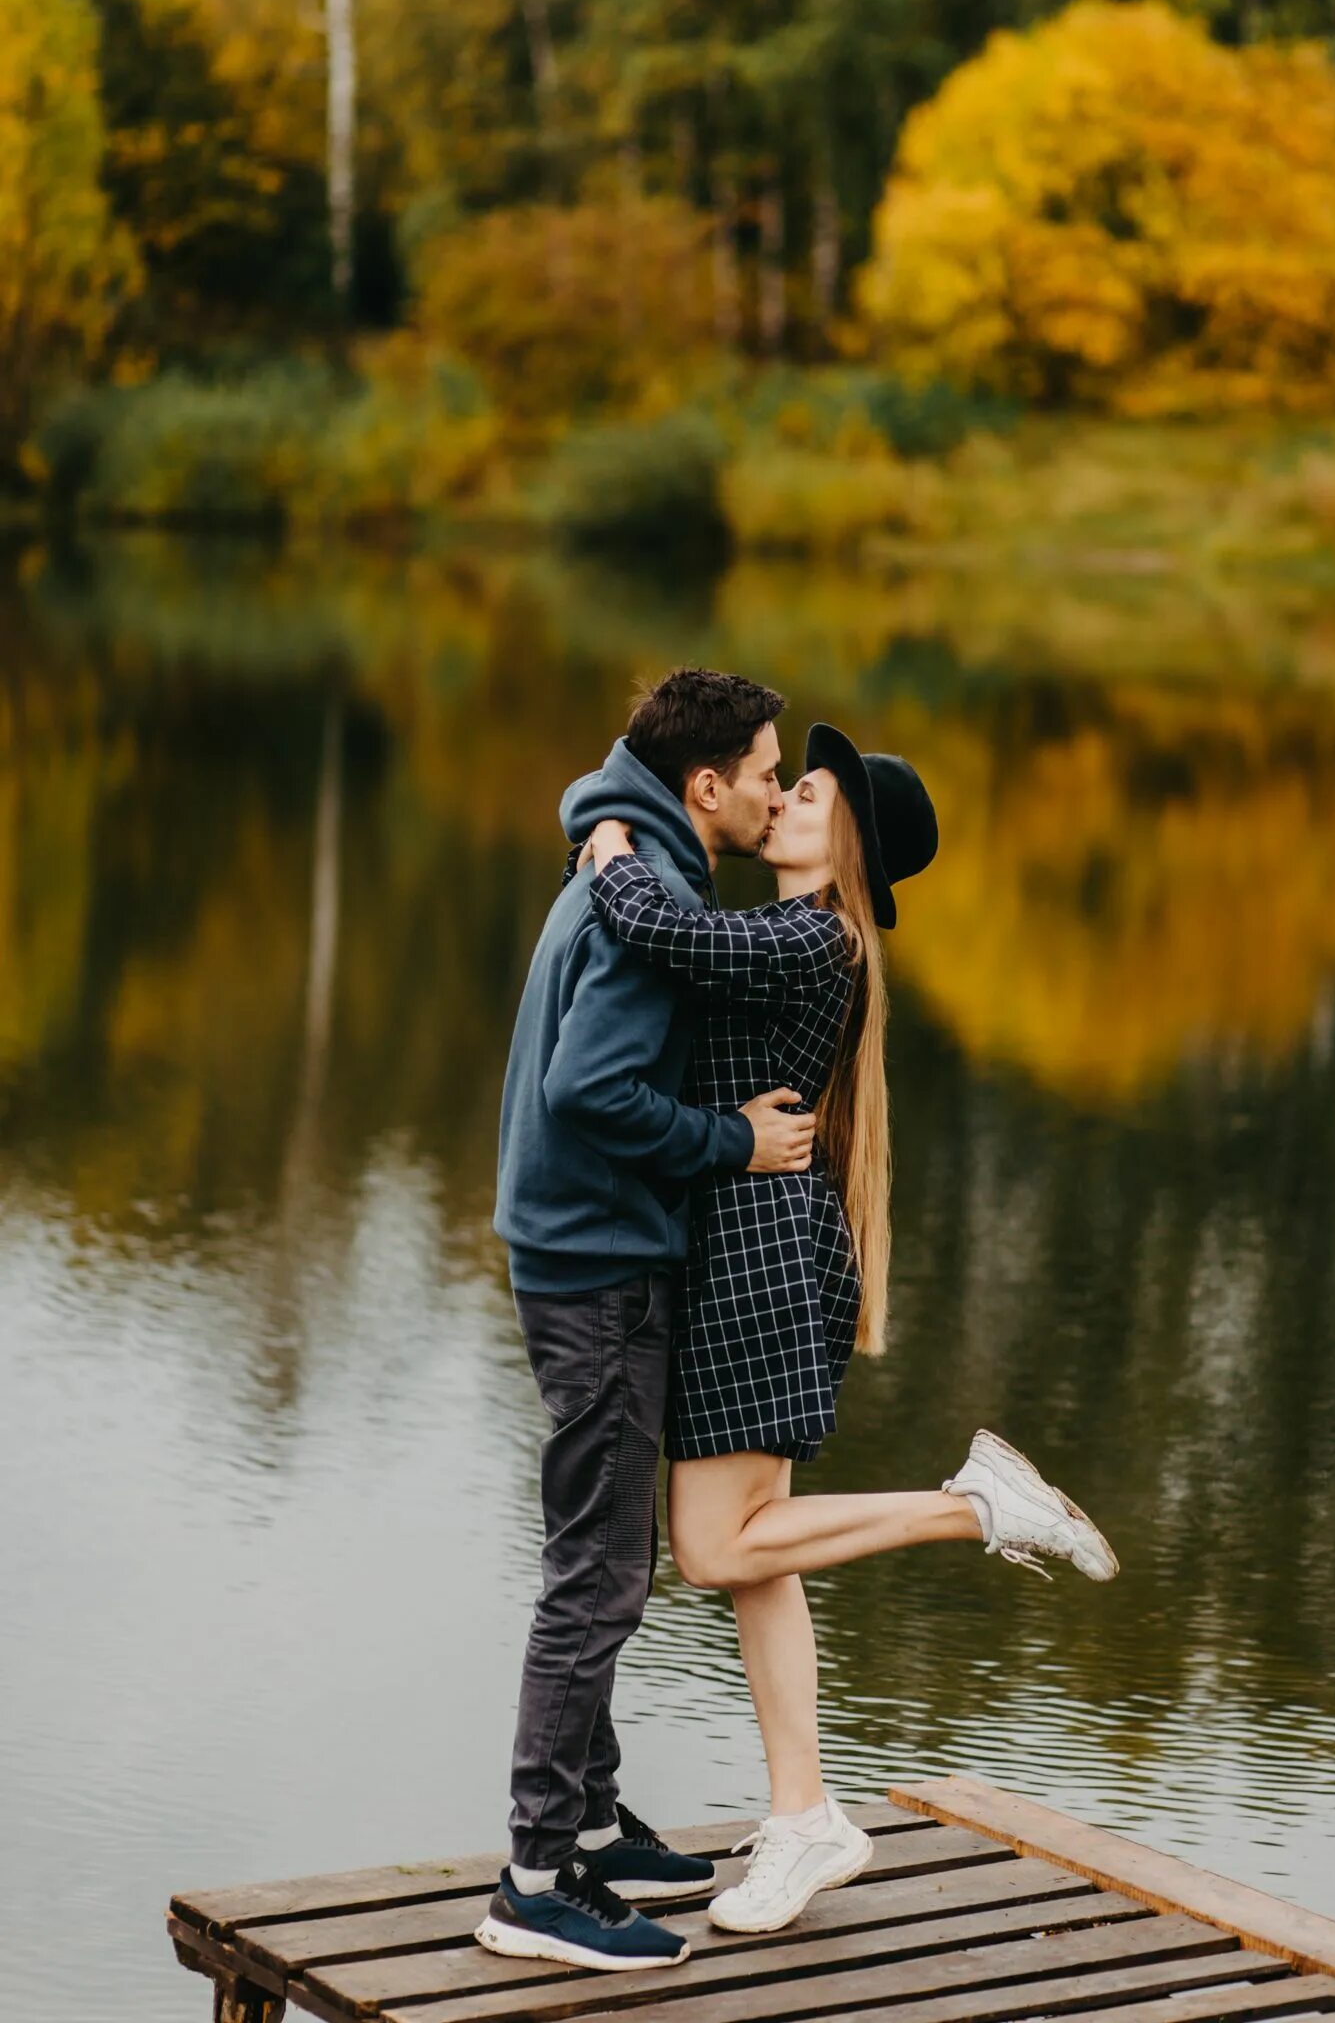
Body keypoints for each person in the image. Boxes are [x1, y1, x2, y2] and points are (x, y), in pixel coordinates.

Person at [581, 721, 1118, 1939]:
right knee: (757, 1560)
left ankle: (973, 1506)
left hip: (760, 1263)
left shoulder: (814, 933)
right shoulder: (807, 936)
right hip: (754, 1251)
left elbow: (668, 933)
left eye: (805, 792)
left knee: (720, 1549)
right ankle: (803, 1814)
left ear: (850, 848)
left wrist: (607, 844)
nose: (780, 800)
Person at [476, 670, 822, 1977]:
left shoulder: (629, 855)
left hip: (583, 1253)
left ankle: (595, 1818)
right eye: (768, 769)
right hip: (598, 1269)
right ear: (705, 786)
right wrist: (729, 1142)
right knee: (600, 1574)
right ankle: (533, 1875)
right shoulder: (654, 900)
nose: (781, 790)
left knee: (601, 1553)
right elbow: (587, 1091)